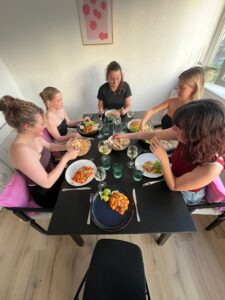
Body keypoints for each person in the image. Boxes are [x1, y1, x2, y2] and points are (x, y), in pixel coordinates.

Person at [113, 99, 225, 205]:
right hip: (171, 173)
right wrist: (125, 135)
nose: (174, 128)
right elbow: (152, 134)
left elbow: (174, 185)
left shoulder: (212, 167)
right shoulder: (187, 134)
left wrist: (163, 158)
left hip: (184, 194)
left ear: (197, 134)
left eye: (180, 127)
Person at [0, 96, 80, 208]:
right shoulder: (20, 151)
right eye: (42, 123)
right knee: (80, 198)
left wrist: (66, 147)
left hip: (56, 176)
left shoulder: (32, 135)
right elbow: (47, 182)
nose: (46, 125)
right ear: (27, 127)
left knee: (83, 175)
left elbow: (50, 146)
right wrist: (66, 157)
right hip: (47, 192)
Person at [140, 66, 205, 131]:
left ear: (194, 89)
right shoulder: (171, 101)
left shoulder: (194, 113)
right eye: (178, 86)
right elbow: (153, 110)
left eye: (182, 88)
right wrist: (143, 122)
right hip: (162, 138)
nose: (177, 90)